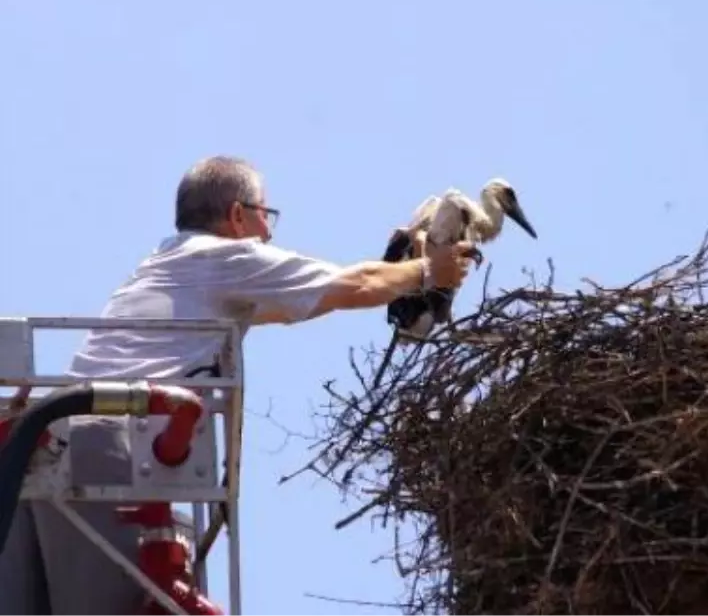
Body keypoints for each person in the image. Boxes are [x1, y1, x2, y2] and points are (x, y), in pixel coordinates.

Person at [0, 155, 477, 616]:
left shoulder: (164, 265)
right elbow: (354, 283)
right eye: (266, 216)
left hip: (39, 452)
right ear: (236, 214)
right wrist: (432, 271)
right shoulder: (227, 258)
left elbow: (303, 302)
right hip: (111, 453)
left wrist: (399, 277)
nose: (269, 232)